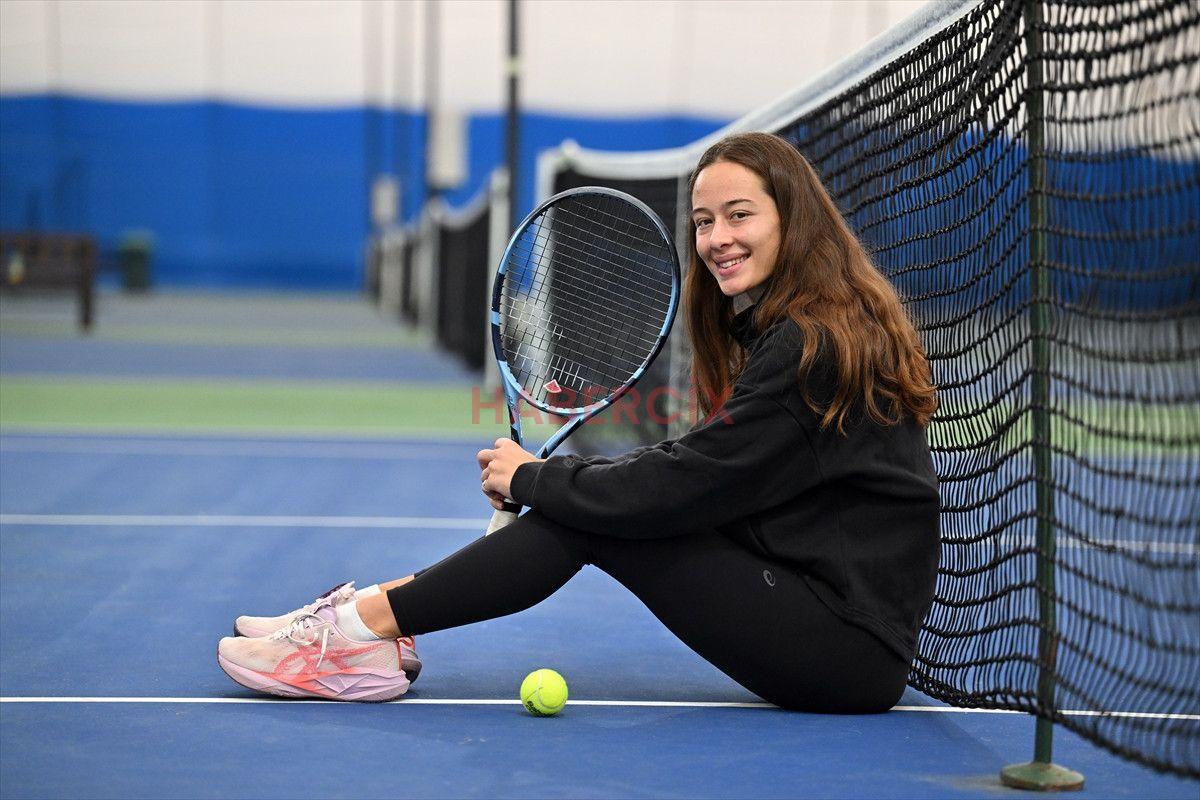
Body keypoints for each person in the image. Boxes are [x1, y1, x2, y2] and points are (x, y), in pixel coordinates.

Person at [216, 132, 941, 711]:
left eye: (739, 214)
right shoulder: (811, 327)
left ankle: (359, 631)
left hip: (845, 650)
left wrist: (537, 480)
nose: (717, 237)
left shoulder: (812, 347)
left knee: (590, 520)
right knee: (592, 504)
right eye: (703, 221)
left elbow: (690, 481)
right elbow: (702, 473)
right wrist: (548, 480)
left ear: (793, 219)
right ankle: (374, 617)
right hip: (824, 607)